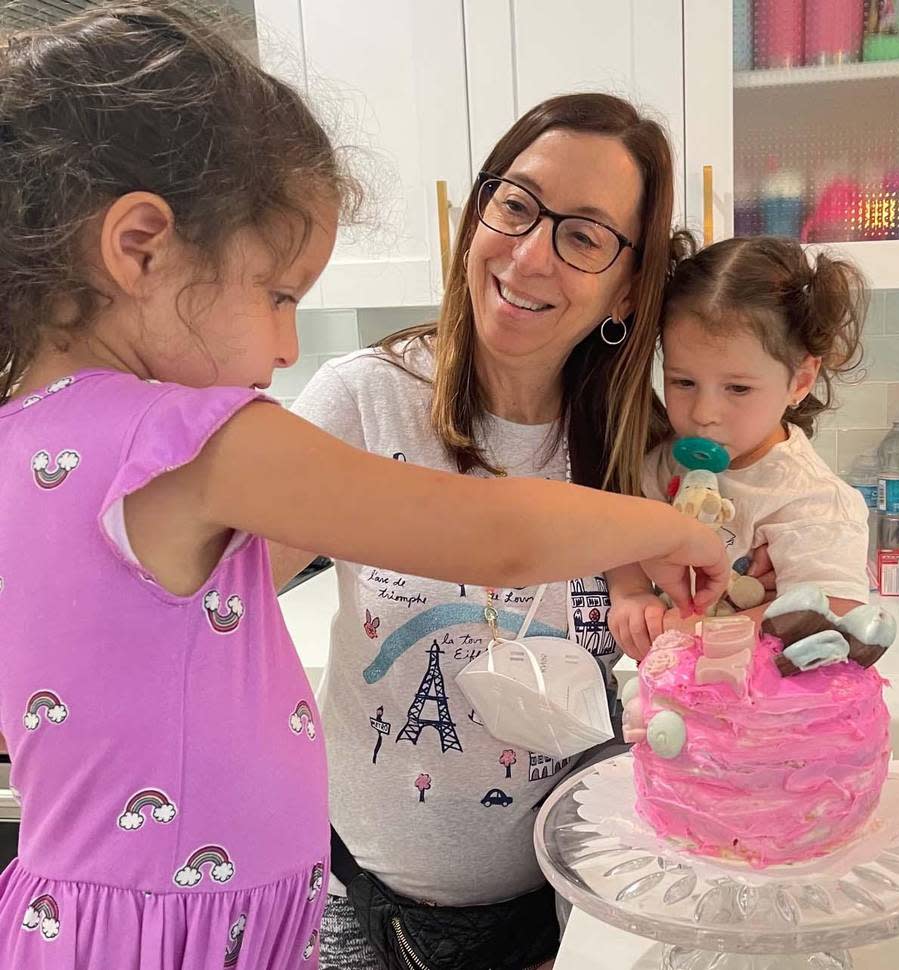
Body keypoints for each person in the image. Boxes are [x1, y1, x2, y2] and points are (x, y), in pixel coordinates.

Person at [0, 9, 728, 969]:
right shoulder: (205, 444)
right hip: (224, 927)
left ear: (631, 286)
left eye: (587, 235)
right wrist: (671, 535)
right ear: (138, 248)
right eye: (279, 296)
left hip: (107, 923)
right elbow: (493, 537)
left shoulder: (27, 438)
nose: (289, 346)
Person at [271, 93, 684, 969]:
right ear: (474, 214)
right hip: (375, 910)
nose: (531, 253)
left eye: (584, 236)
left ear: (626, 282)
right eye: (517, 204)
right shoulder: (361, 401)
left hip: (580, 901)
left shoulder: (635, 447)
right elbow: (220, 584)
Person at [608, 235, 871, 659]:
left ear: (800, 380)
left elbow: (836, 614)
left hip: (764, 715)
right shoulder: (661, 464)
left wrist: (698, 632)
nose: (704, 412)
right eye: (683, 382)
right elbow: (617, 533)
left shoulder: (812, 499)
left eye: (738, 388)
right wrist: (631, 592)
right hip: (672, 708)